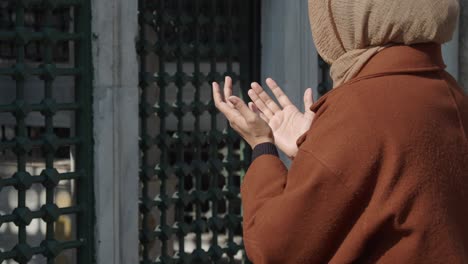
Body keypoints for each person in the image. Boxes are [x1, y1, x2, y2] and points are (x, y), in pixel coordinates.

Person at [212, 0, 467, 263]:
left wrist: (262, 145)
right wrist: (313, 148)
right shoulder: (451, 93)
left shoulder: (360, 108)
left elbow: (273, 247)